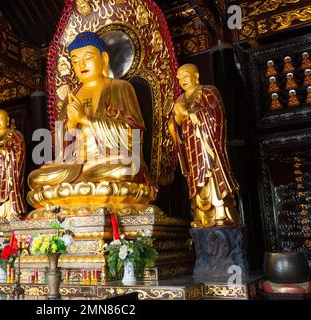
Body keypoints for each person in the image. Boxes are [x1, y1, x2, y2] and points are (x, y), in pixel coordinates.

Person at [28, 32, 154, 191]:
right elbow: (59, 147)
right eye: (75, 61)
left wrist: (85, 119)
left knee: (126, 170)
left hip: (109, 161)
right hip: (75, 166)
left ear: (104, 59)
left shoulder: (119, 87)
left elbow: (133, 133)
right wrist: (71, 124)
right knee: (37, 178)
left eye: (87, 58)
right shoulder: (71, 97)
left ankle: (81, 185)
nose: (81, 65)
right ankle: (86, 183)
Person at [169, 64, 240, 228]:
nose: (182, 81)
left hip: (208, 147)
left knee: (212, 177)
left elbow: (217, 115)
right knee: (196, 184)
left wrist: (189, 113)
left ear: (197, 76)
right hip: (191, 149)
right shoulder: (179, 100)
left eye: (186, 76)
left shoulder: (208, 91)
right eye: (179, 79)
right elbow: (174, 128)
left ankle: (221, 213)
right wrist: (177, 119)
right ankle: (201, 217)